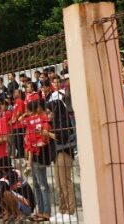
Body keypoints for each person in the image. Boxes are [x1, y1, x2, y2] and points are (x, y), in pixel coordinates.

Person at [46, 83, 76, 216]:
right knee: (59, 183)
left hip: (64, 153)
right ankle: (62, 209)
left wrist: (47, 133)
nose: (48, 115)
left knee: (65, 182)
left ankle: (70, 210)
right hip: (57, 153)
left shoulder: (63, 122)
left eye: (49, 112)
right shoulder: (54, 122)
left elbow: (62, 137)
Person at [22, 100, 54, 221]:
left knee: (43, 185)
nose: (28, 113)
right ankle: (40, 211)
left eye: (30, 110)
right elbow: (28, 141)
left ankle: (46, 212)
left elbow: (45, 138)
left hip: (41, 155)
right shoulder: (31, 122)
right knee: (36, 184)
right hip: (33, 155)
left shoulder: (43, 120)